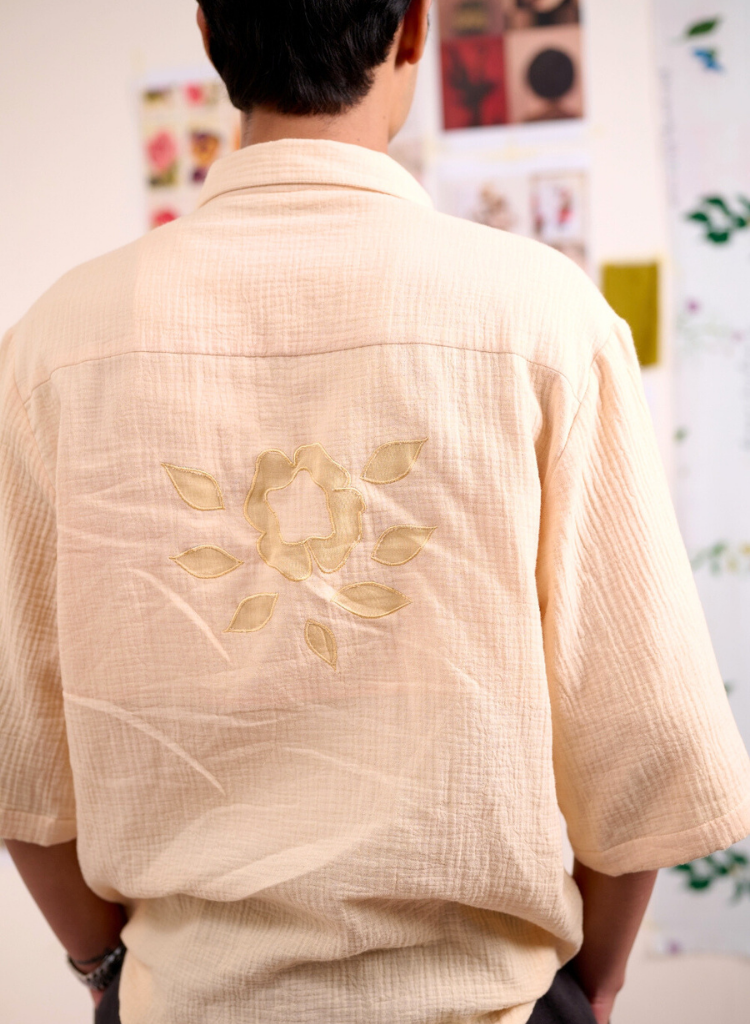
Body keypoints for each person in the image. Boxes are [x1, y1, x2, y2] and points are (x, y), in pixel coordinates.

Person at [2, 2, 750, 1023]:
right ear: (414, 32)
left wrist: (102, 972)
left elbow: (19, 756)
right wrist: (594, 985)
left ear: (211, 32)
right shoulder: (543, 319)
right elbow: (643, 739)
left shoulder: (53, 345)